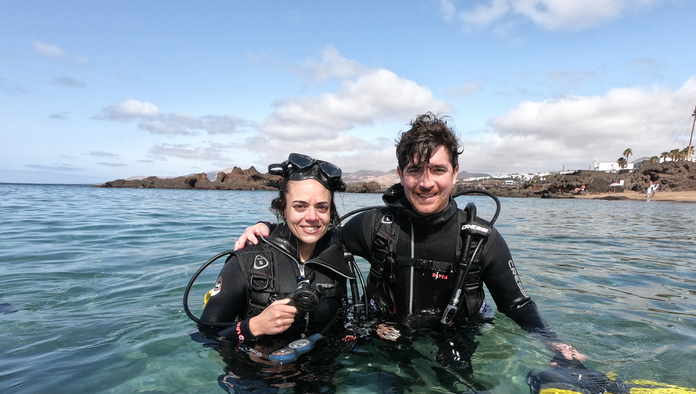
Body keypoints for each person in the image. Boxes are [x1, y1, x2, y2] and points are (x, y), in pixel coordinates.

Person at [237, 113, 585, 364]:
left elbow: (517, 304)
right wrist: (268, 231)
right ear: (401, 174)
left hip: (459, 339)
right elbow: (313, 232)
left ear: (455, 174)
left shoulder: (481, 240)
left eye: (438, 170)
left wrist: (553, 342)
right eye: (415, 170)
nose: (426, 182)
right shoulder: (376, 226)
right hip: (386, 344)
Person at [196, 153, 352, 394]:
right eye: (300, 206)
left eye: (322, 207)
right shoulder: (247, 259)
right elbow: (205, 334)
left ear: (332, 211)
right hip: (254, 368)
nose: (312, 217)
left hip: (316, 368)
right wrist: (252, 327)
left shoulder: (341, 257)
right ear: (282, 208)